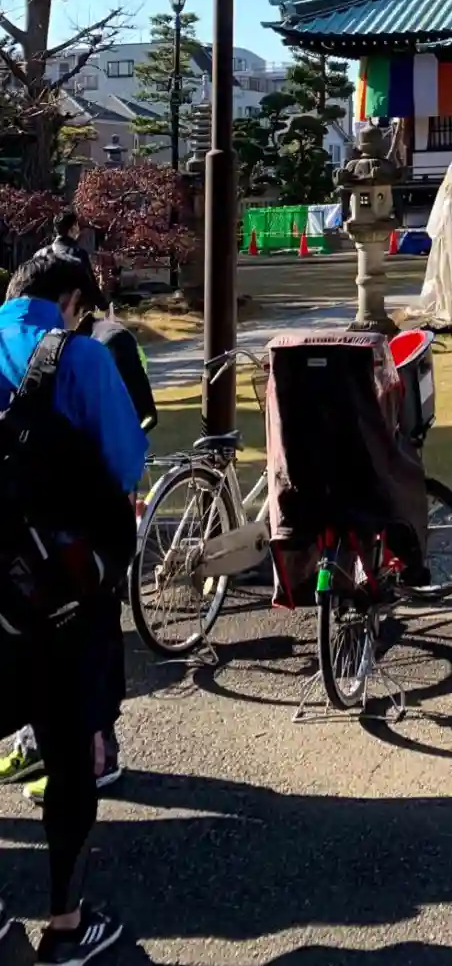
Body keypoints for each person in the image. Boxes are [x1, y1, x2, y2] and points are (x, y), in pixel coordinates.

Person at [0, 252, 147, 960]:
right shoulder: (80, 358)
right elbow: (126, 463)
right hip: (61, 595)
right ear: (68, 301)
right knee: (67, 755)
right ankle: (64, 927)